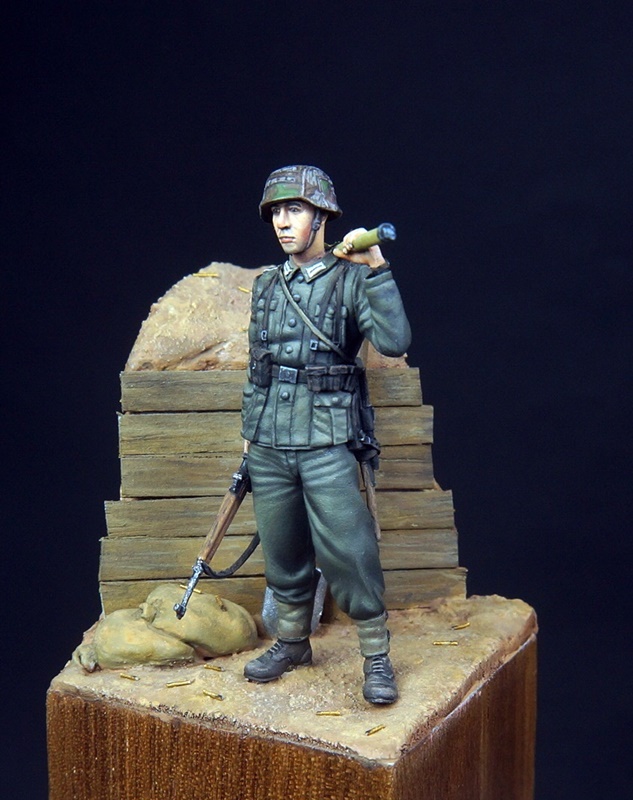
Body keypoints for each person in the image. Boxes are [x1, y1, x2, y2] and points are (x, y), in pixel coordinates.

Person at [241, 165, 411, 704]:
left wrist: (377, 270)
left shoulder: (352, 279)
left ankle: (376, 655)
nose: (282, 222)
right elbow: (258, 367)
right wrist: (250, 435)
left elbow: (394, 341)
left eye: (294, 210)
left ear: (321, 218)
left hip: (325, 438)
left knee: (349, 549)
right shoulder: (267, 285)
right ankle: (293, 642)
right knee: (282, 548)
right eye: (276, 212)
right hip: (270, 440)